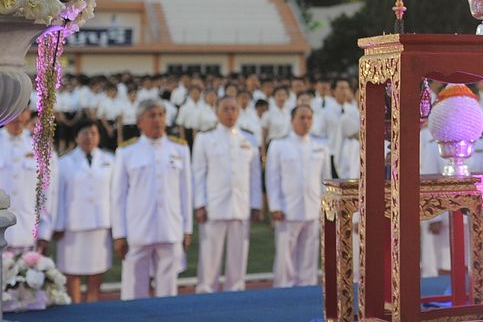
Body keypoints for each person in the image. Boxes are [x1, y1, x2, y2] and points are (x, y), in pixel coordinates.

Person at [111, 100, 193, 300]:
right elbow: (118, 197)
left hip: (170, 227)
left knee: (168, 289)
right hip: (138, 228)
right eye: (152, 115)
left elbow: (186, 192)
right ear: (140, 122)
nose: (158, 120)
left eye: (161, 115)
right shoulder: (126, 152)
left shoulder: (179, 149)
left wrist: (187, 229)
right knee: (133, 288)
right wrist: (119, 233)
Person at [193, 93, 263, 293]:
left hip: (240, 205)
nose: (230, 113)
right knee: (209, 258)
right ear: (216, 112)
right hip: (214, 206)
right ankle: (206, 292)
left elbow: (255, 176)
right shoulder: (205, 138)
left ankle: (236, 292)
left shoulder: (249, 138)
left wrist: (255, 204)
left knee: (238, 258)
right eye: (225, 109)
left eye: (234, 109)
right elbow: (198, 174)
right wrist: (200, 204)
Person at [265, 104, 331, 287]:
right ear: (292, 120)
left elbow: (325, 180)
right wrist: (275, 206)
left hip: (312, 207)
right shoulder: (279, 145)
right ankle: (283, 288)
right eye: (301, 118)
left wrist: (325, 206)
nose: (305, 122)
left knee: (310, 253)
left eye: (309, 118)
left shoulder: (321, 146)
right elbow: (272, 178)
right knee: (285, 255)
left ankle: (306, 286)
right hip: (288, 208)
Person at [49, 122, 115, 302]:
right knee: (72, 271)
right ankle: (75, 307)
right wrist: (58, 224)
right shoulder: (64, 162)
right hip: (73, 225)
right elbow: (58, 196)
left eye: (93, 133)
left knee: (97, 270)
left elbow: (115, 195)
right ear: (76, 137)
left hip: (100, 224)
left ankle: (93, 306)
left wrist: (116, 226)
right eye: (85, 133)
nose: (89, 137)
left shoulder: (110, 160)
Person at [0, 109, 42, 250]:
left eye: (22, 111)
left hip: (28, 229)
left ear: (28, 113)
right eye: (13, 110)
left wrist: (45, 231)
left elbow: (47, 191)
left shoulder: (38, 145)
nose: (17, 117)